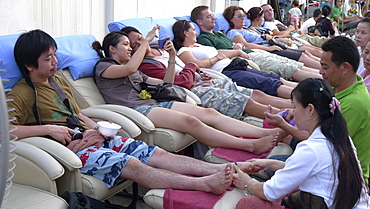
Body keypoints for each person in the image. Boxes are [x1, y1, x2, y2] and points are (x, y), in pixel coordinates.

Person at [6, 29, 246, 195]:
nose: (55, 62)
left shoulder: (57, 80)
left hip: (92, 137)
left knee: (158, 154)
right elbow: (6, 131)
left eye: (55, 55)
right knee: (133, 165)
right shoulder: (21, 94)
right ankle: (205, 184)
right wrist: (48, 129)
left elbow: (77, 113)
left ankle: (219, 170)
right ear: (29, 65)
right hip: (71, 150)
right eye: (48, 58)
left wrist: (98, 129)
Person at [93, 27, 281, 154]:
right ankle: (250, 145)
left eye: (129, 45)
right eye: (125, 45)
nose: (129, 49)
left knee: (209, 113)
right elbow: (129, 69)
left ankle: (264, 133)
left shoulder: (134, 70)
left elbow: (166, 83)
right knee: (192, 122)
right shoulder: (104, 67)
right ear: (112, 49)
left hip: (155, 103)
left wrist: (173, 56)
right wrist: (146, 41)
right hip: (136, 111)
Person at [233, 78, 370, 208]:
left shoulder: (312, 148)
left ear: (310, 109)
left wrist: (246, 182)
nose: (292, 113)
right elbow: (315, 168)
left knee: (249, 203)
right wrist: (270, 164)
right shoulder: (340, 137)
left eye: (295, 106)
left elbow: (269, 192)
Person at [120, 26, 293, 119]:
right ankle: (290, 120)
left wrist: (199, 72)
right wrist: (193, 67)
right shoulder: (146, 65)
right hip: (194, 90)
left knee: (256, 92)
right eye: (135, 44)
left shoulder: (162, 52)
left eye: (142, 38)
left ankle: (297, 108)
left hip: (206, 78)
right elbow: (179, 81)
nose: (142, 43)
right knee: (247, 100)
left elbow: (188, 68)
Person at [191, 5, 322, 82]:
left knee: (295, 63)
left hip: (254, 52)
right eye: (208, 17)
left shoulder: (219, 33)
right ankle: (325, 81)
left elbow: (241, 45)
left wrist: (239, 46)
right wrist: (238, 49)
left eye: (212, 16)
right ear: (200, 22)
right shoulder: (204, 39)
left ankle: (326, 75)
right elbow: (218, 53)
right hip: (249, 56)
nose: (213, 18)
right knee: (289, 69)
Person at [172, 19, 297, 99]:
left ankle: (300, 91)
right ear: (185, 33)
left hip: (233, 65)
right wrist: (215, 59)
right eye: (193, 30)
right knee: (266, 83)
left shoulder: (198, 45)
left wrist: (237, 52)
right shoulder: (184, 51)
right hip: (225, 72)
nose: (196, 32)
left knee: (271, 77)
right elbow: (195, 64)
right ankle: (301, 98)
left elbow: (219, 52)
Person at [223, 6, 322, 69]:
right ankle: (326, 71)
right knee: (303, 56)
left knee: (306, 53)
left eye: (243, 16)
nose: (243, 19)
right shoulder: (233, 32)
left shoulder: (247, 29)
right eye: (239, 16)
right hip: (267, 49)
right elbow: (247, 45)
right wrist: (268, 48)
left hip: (273, 45)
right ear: (231, 19)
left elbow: (267, 37)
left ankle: (328, 67)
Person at [261, 3, 330, 47]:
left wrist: (297, 30)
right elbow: (278, 34)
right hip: (295, 39)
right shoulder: (268, 24)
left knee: (322, 40)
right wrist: (290, 29)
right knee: (319, 44)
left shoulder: (275, 21)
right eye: (266, 11)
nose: (270, 12)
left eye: (270, 10)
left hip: (298, 35)